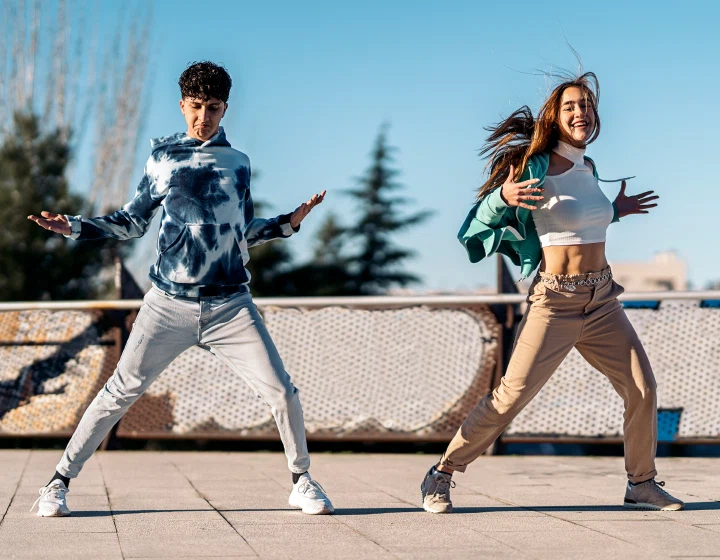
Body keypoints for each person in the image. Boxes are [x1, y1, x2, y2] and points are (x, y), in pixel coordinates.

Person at [28, 61, 334, 517]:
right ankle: (57, 483)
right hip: (167, 304)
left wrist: (287, 225)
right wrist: (73, 226)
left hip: (230, 305)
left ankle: (302, 480)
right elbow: (130, 223)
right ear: (181, 106)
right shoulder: (163, 160)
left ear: (225, 108)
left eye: (212, 108)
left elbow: (241, 231)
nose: (203, 118)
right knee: (117, 393)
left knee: (282, 391)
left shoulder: (239, 164)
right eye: (195, 107)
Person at [420, 72, 684, 513]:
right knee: (509, 398)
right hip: (555, 302)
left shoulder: (589, 167)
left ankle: (641, 483)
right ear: (554, 117)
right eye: (570, 106)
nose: (580, 112)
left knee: (642, 388)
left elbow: (576, 222)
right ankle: (442, 472)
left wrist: (615, 211)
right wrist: (502, 196)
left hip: (601, 300)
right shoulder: (533, 165)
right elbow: (477, 222)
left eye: (585, 105)